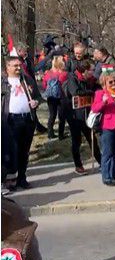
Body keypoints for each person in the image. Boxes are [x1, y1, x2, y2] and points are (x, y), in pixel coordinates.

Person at [1, 57, 42, 191]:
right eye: (15, 66)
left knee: (24, 151)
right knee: (11, 151)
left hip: (27, 120)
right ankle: (8, 180)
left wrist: (36, 102)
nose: (19, 68)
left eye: (19, 65)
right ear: (7, 67)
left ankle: (22, 178)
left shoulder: (27, 80)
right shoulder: (3, 82)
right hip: (11, 120)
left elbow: (37, 96)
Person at [62, 59, 101, 175]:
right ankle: (78, 165)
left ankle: (101, 161)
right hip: (74, 115)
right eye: (92, 70)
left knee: (92, 138)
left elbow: (97, 87)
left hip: (86, 113)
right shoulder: (72, 78)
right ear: (85, 71)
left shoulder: (90, 79)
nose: (93, 72)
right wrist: (91, 92)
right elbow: (76, 92)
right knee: (76, 140)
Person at [91, 73, 115, 186]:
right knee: (108, 152)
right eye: (110, 82)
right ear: (104, 84)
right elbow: (95, 108)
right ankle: (106, 177)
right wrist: (104, 102)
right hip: (107, 127)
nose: (113, 84)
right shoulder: (101, 93)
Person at [42, 56, 68, 140]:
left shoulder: (47, 73)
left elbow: (44, 85)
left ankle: (50, 133)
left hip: (51, 97)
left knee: (52, 115)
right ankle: (61, 135)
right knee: (62, 117)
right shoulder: (64, 74)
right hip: (62, 97)